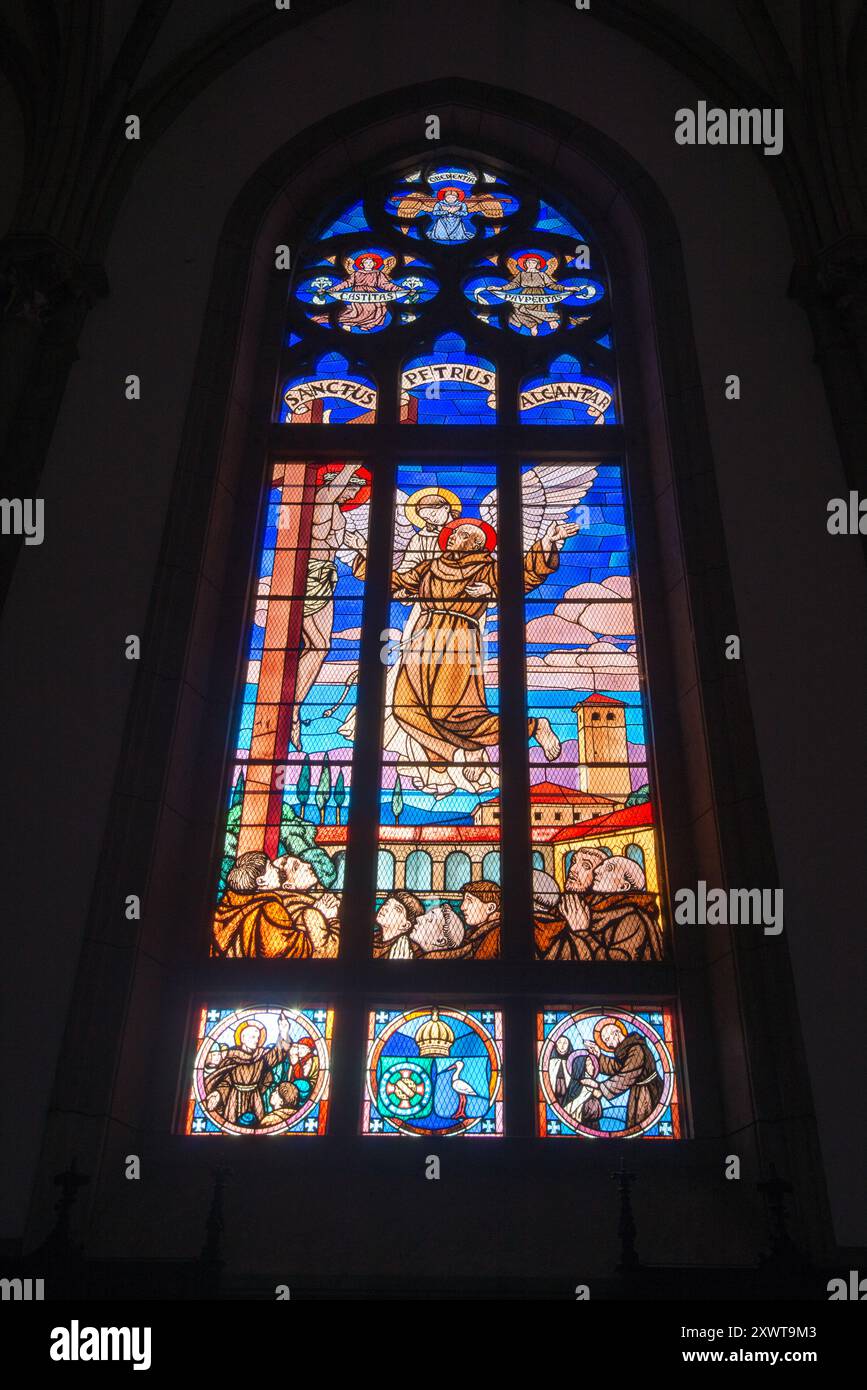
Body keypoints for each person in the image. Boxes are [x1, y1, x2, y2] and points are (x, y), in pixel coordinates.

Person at [346, 517, 572, 792]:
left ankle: (533, 727)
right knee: (405, 708)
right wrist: (361, 556)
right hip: (422, 640)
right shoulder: (431, 567)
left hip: (458, 641)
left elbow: (521, 577)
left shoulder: (486, 569)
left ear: (477, 544)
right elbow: (393, 581)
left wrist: (546, 543)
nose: (453, 534)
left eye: (462, 533)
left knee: (454, 714)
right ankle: (457, 756)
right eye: (453, 532)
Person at [212, 851, 339, 958]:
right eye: (271, 867)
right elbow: (290, 951)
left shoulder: (231, 903)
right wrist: (324, 918)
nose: (277, 869)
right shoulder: (269, 908)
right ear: (261, 881)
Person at [203, 1012, 291, 1128]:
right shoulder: (232, 1058)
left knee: (258, 1126)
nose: (256, 1040)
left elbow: (278, 1053)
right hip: (235, 1098)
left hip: (255, 1098)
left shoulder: (261, 1057)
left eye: (258, 1037)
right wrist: (217, 1094)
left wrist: (284, 1033)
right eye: (253, 1037)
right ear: (243, 1038)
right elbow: (225, 1083)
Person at [586, 1017, 663, 1131]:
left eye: (607, 1039)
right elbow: (617, 1067)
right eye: (605, 1041)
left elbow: (627, 1075)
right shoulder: (626, 1049)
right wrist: (599, 1056)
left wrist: (601, 1088)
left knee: (640, 1125)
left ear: (616, 1033)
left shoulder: (636, 1048)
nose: (608, 1044)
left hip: (648, 1092)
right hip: (638, 1091)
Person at [373, 890, 426, 958]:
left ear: (405, 925)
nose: (385, 908)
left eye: (397, 909)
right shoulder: (371, 938)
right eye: (387, 904)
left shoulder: (412, 950)